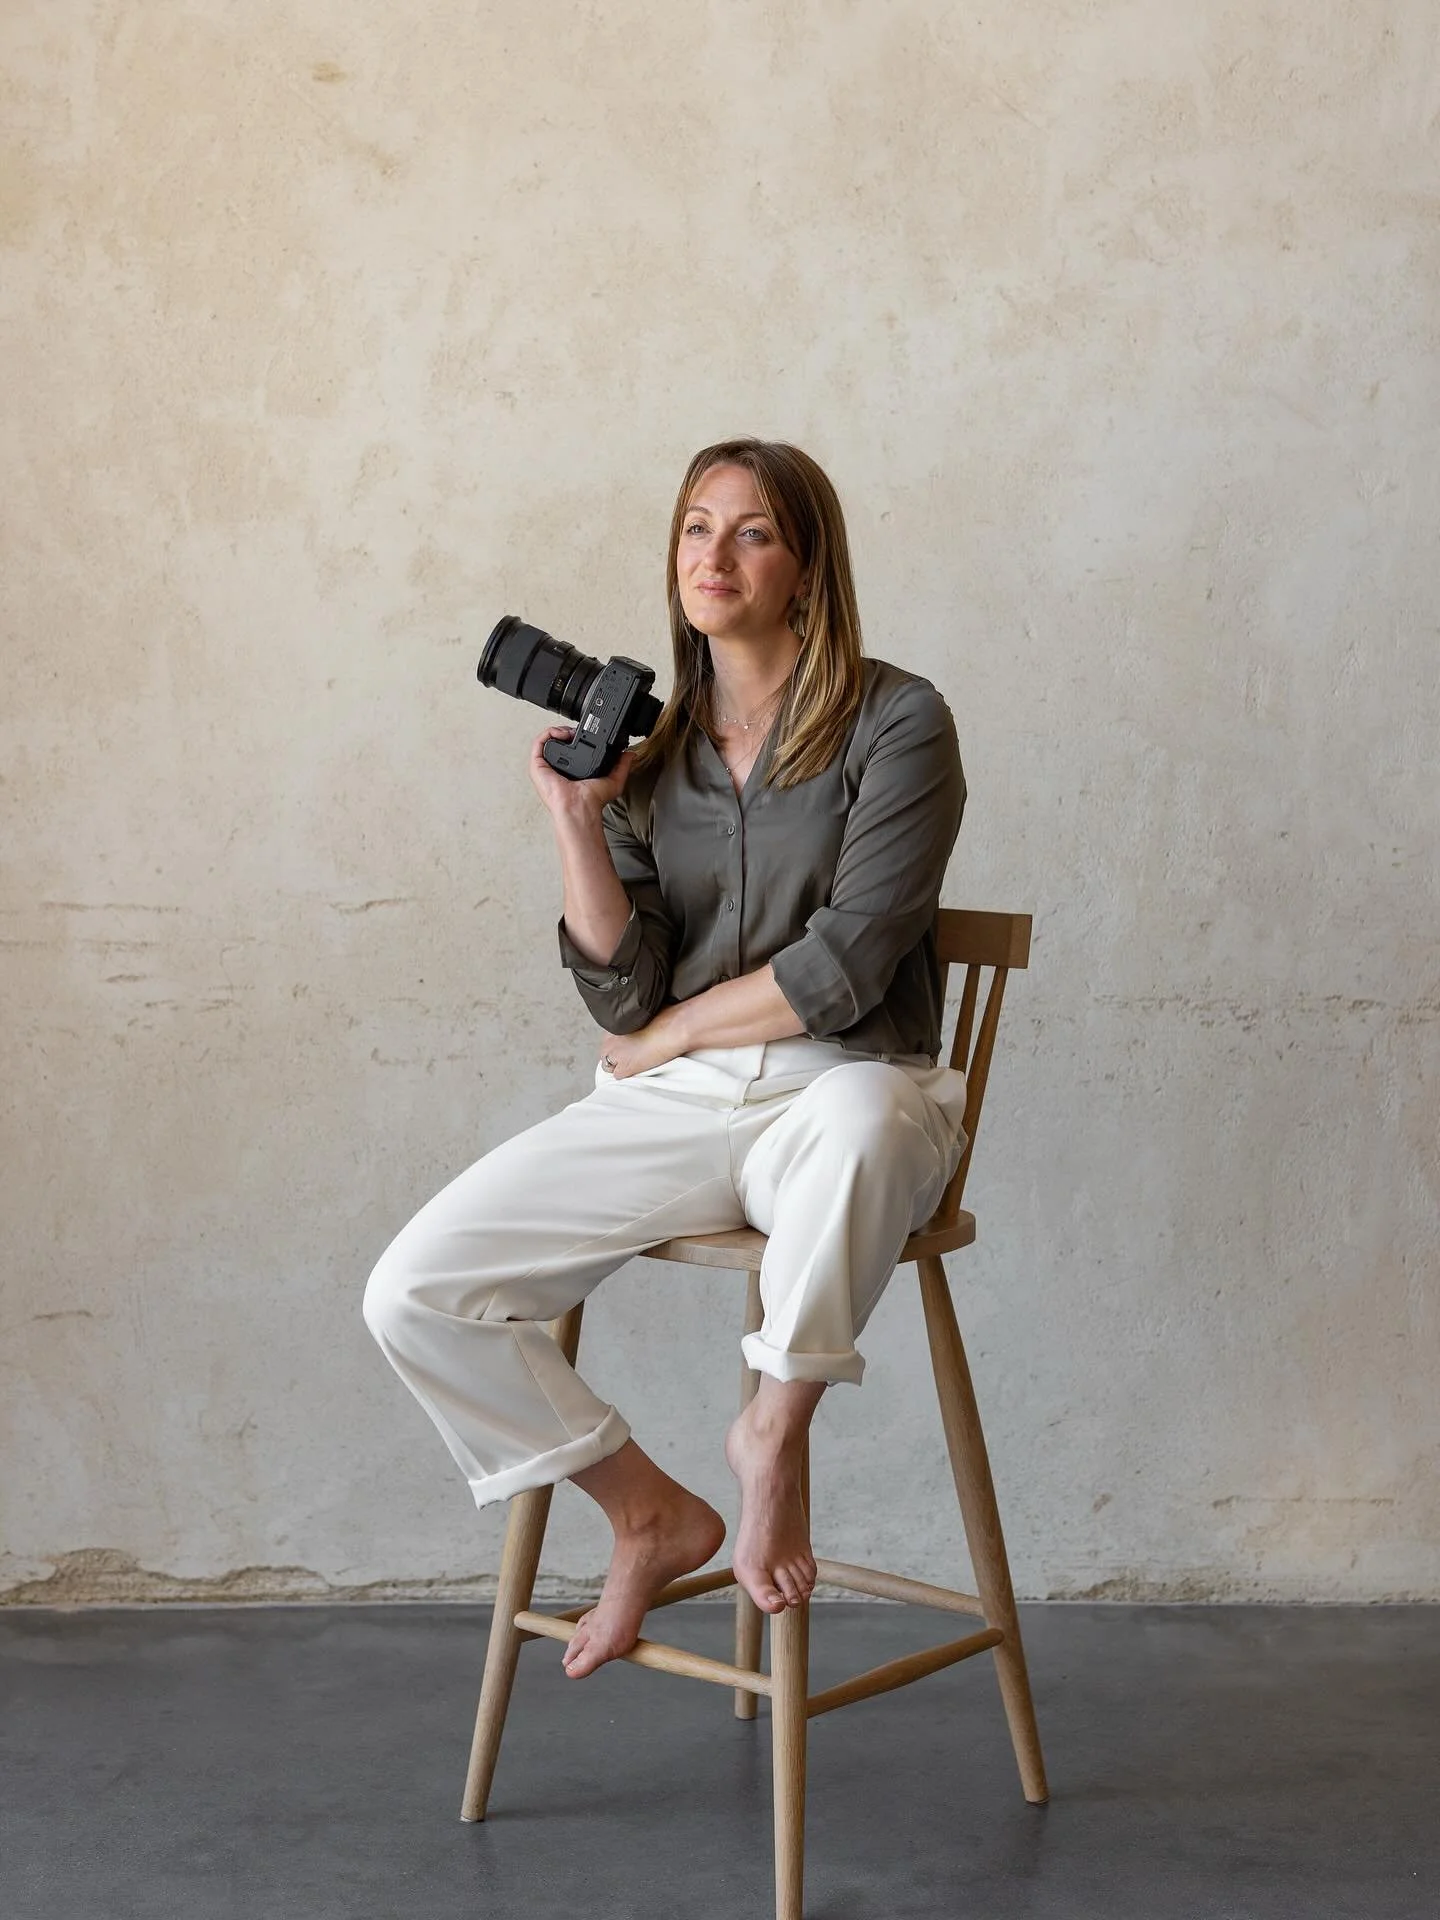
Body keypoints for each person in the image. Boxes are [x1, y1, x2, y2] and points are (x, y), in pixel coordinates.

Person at [363, 438, 969, 1680]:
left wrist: (680, 1028)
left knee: (861, 1127)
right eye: (697, 528)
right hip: (679, 1105)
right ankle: (647, 1512)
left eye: (752, 532)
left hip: (848, 1084)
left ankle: (772, 1434)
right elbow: (621, 983)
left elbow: (848, 963)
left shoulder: (900, 720)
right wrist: (578, 824)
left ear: (806, 566)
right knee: (415, 1292)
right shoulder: (658, 747)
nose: (716, 555)